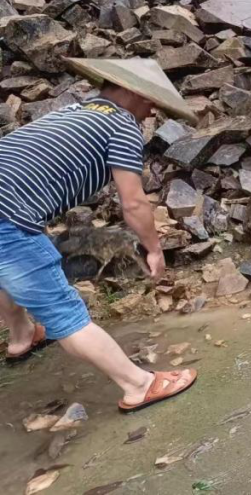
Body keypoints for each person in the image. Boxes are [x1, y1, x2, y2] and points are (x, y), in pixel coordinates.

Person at [0, 57, 199, 413]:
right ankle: (139, 385)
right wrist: (154, 249)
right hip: (6, 215)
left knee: (7, 271)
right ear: (131, 91)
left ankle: (21, 336)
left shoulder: (75, 112)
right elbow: (133, 201)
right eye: (151, 100)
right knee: (63, 311)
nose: (152, 110)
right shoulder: (121, 124)